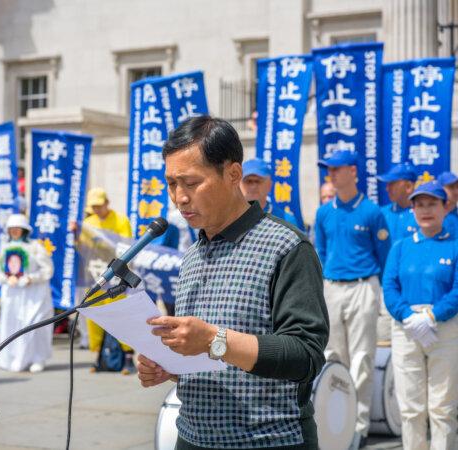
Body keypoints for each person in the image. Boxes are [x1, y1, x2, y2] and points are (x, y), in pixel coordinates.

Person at [137, 116, 329, 449]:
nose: (179, 197)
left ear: (233, 175)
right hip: (193, 437)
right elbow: (208, 358)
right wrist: (170, 365)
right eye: (171, 183)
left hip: (270, 440)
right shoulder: (193, 255)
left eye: (191, 183)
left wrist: (213, 339)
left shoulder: (287, 247)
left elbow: (305, 355)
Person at [314, 150, 391, 446]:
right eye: (328, 169)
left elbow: (383, 256)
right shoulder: (324, 212)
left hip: (363, 286)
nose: (330, 174)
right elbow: (320, 252)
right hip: (332, 287)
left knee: (361, 359)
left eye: (336, 169)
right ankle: (336, 425)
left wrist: (380, 295)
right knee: (333, 358)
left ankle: (357, 428)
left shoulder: (372, 211)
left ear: (352, 171)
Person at [383, 181, 458, 450]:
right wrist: (408, 316)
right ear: (412, 208)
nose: (426, 210)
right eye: (420, 204)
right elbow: (389, 286)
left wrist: (433, 316)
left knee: (442, 407)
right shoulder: (401, 247)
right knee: (411, 408)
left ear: (445, 207)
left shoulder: (454, 246)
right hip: (407, 327)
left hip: (445, 326)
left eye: (432, 204)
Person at [81, 187, 137, 374]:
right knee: (94, 314)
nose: (97, 209)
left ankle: (128, 356)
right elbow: (83, 248)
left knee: (120, 314)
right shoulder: (88, 222)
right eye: (93, 206)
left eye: (99, 205)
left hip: (116, 274)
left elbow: (126, 247)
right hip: (95, 274)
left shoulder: (121, 220)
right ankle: (99, 356)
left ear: (107, 203)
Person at [0, 214, 53, 373]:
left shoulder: (35, 247)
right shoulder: (4, 247)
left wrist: (31, 278)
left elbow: (48, 270)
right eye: (10, 228)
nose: (14, 231)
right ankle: (12, 357)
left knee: (33, 325)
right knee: (11, 325)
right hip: (12, 294)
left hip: (33, 295)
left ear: (24, 229)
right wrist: (5, 278)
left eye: (17, 228)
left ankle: (38, 358)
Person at [240, 157, 299, 226]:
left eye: (258, 181)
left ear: (269, 185)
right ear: (238, 184)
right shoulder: (230, 217)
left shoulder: (285, 219)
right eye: (249, 181)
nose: (253, 186)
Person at [377, 162, 418, 243]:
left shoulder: (423, 215)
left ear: (408, 187)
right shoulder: (381, 214)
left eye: (392, 184)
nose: (387, 189)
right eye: (387, 184)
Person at [437, 171, 458, 238]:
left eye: (457, 187)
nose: (456, 191)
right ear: (441, 190)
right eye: (451, 187)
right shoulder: (432, 217)